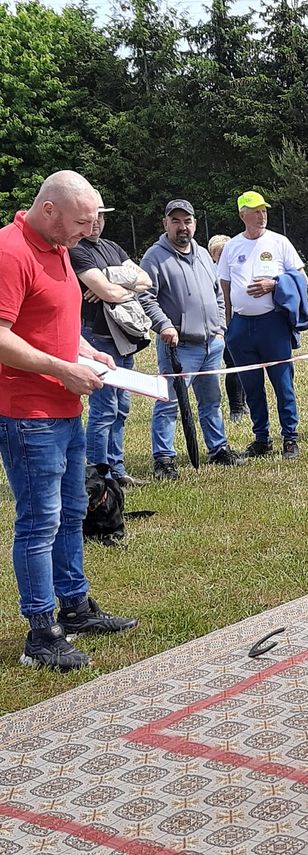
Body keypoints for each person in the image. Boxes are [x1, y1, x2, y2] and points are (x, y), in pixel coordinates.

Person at [0, 170, 138, 671]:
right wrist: (61, 368)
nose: (88, 232)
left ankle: (75, 607)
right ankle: (41, 631)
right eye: (81, 222)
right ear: (50, 208)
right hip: (27, 412)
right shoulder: (10, 251)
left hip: (64, 406)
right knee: (39, 520)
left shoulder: (60, 248)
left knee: (73, 510)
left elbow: (53, 325)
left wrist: (87, 352)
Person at [140, 199, 244, 480]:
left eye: (187, 221)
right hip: (178, 346)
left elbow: (217, 293)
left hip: (211, 343)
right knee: (169, 403)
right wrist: (163, 325)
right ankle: (164, 458)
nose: (182, 227)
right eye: (175, 221)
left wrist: (220, 326)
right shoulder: (154, 257)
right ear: (165, 224)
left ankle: (218, 449)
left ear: (194, 224)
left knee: (211, 401)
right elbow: (145, 297)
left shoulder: (202, 255)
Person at [217, 190, 307, 460]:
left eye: (264, 210)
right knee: (252, 386)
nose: (261, 215)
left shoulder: (279, 242)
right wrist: (229, 323)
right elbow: (225, 284)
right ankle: (261, 438)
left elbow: (301, 277)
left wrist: (275, 284)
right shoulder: (232, 246)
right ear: (242, 214)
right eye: (255, 211)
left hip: (272, 324)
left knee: (282, 383)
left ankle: (290, 437)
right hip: (242, 327)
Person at [68, 201, 153, 487]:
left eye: (100, 217)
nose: (96, 223)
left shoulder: (113, 248)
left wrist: (109, 281)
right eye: (91, 218)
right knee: (104, 411)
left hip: (124, 339)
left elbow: (145, 280)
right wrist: (109, 287)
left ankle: (118, 471)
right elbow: (107, 292)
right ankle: (99, 475)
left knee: (121, 409)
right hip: (97, 340)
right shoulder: (76, 250)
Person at [208, 234, 247, 422]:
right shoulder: (210, 273)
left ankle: (245, 403)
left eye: (226, 252)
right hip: (222, 324)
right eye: (220, 253)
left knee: (247, 365)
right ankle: (236, 408)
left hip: (241, 321)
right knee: (233, 365)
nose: (224, 256)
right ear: (213, 255)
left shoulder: (238, 270)